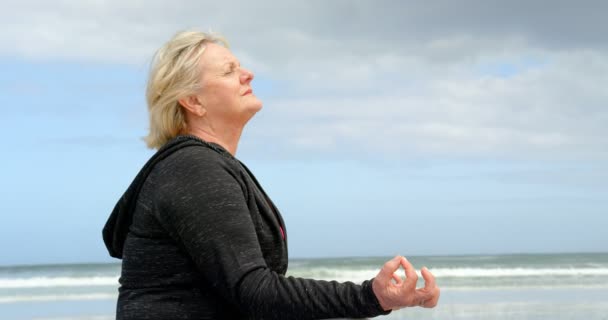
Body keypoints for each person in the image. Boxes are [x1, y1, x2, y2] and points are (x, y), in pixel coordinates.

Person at [102, 30, 440, 320]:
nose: (247, 74)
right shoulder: (195, 169)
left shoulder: (203, 165)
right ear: (194, 101)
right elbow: (255, 291)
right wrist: (372, 297)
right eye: (229, 70)